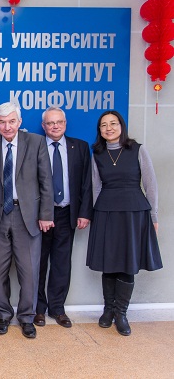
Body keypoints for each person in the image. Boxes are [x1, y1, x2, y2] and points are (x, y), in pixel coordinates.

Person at [0, 102, 54, 339]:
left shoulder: (36, 142)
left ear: (19, 122)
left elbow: (46, 181)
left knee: (29, 271)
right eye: (2, 122)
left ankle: (26, 317)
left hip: (27, 216)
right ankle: (3, 315)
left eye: (12, 121)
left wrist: (46, 214)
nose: (7, 126)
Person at [86, 110, 162, 336]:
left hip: (133, 212)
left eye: (113, 123)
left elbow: (150, 185)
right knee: (108, 262)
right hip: (106, 212)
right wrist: (94, 215)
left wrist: (154, 217)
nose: (108, 128)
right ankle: (108, 310)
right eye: (103, 125)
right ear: (99, 130)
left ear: (121, 126)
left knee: (128, 262)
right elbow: (95, 187)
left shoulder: (137, 149)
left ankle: (121, 313)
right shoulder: (97, 154)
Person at [34, 107, 93, 328]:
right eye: (50, 123)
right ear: (44, 126)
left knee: (62, 263)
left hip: (67, 213)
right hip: (41, 216)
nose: (55, 126)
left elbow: (87, 183)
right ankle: (38, 309)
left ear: (65, 124)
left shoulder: (80, 147)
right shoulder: (36, 146)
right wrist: (41, 213)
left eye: (59, 122)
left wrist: (84, 212)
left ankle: (57, 308)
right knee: (38, 263)